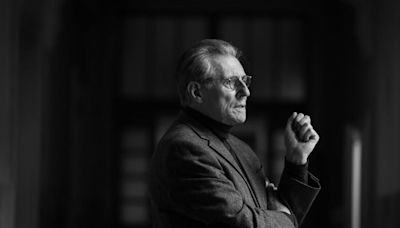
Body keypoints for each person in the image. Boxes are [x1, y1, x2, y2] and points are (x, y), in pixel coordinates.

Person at [149, 39, 320, 228]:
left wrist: (296, 160)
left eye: (245, 80)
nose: (245, 91)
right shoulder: (183, 148)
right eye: (231, 82)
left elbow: (275, 211)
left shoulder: (241, 147)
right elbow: (246, 224)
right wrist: (289, 220)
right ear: (197, 92)